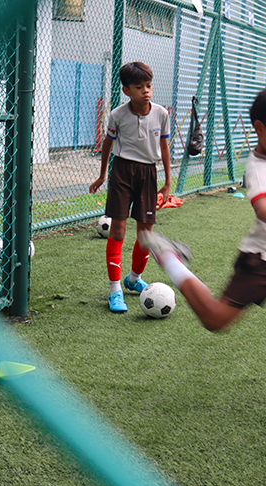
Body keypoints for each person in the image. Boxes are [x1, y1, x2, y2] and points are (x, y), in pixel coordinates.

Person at [138, 87, 266, 428]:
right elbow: (262, 207)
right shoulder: (260, 167)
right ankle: (170, 258)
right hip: (260, 263)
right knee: (215, 320)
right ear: (259, 128)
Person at [88, 62, 172, 314]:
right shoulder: (117, 115)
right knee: (118, 229)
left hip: (148, 174)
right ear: (126, 90)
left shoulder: (162, 114)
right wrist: (103, 175)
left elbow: (164, 147)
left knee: (146, 234)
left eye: (148, 85)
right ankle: (115, 290)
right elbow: (107, 144)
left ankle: (134, 279)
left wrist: (167, 182)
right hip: (122, 172)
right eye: (139, 87)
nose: (146, 91)